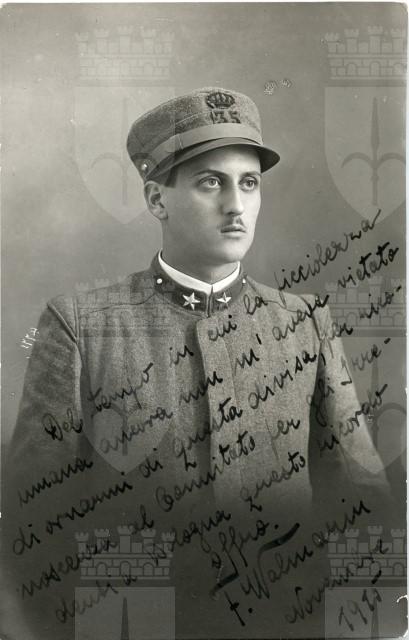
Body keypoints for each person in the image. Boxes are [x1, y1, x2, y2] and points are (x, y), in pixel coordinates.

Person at [3, 87, 398, 640]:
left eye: (249, 182)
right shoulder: (82, 325)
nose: (236, 205)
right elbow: (33, 520)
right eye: (211, 182)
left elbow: (362, 503)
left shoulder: (305, 321)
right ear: (156, 199)